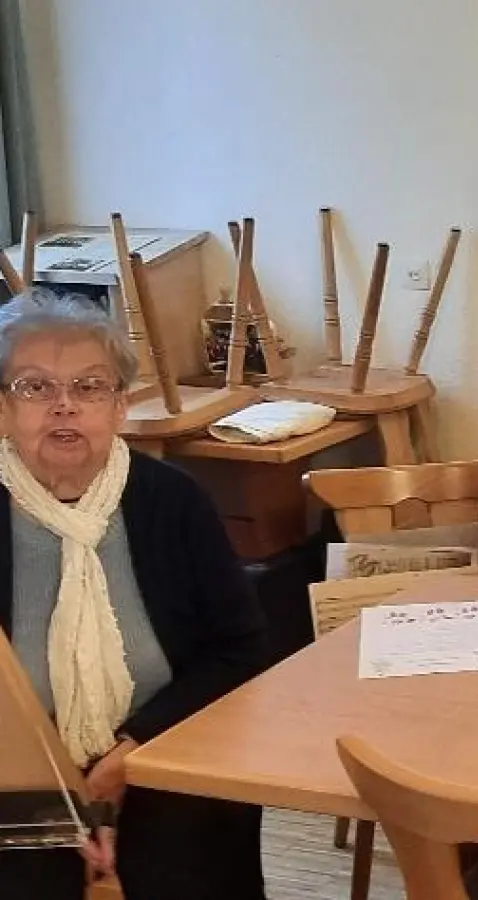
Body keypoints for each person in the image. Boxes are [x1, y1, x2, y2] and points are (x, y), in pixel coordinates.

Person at [0, 291, 269, 900]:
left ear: (120, 406)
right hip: (16, 782)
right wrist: (50, 782)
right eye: (35, 388)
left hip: (162, 752)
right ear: (1, 410)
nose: (65, 406)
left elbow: (241, 650)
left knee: (185, 867)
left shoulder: (173, 502)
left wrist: (132, 751)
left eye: (90, 387)